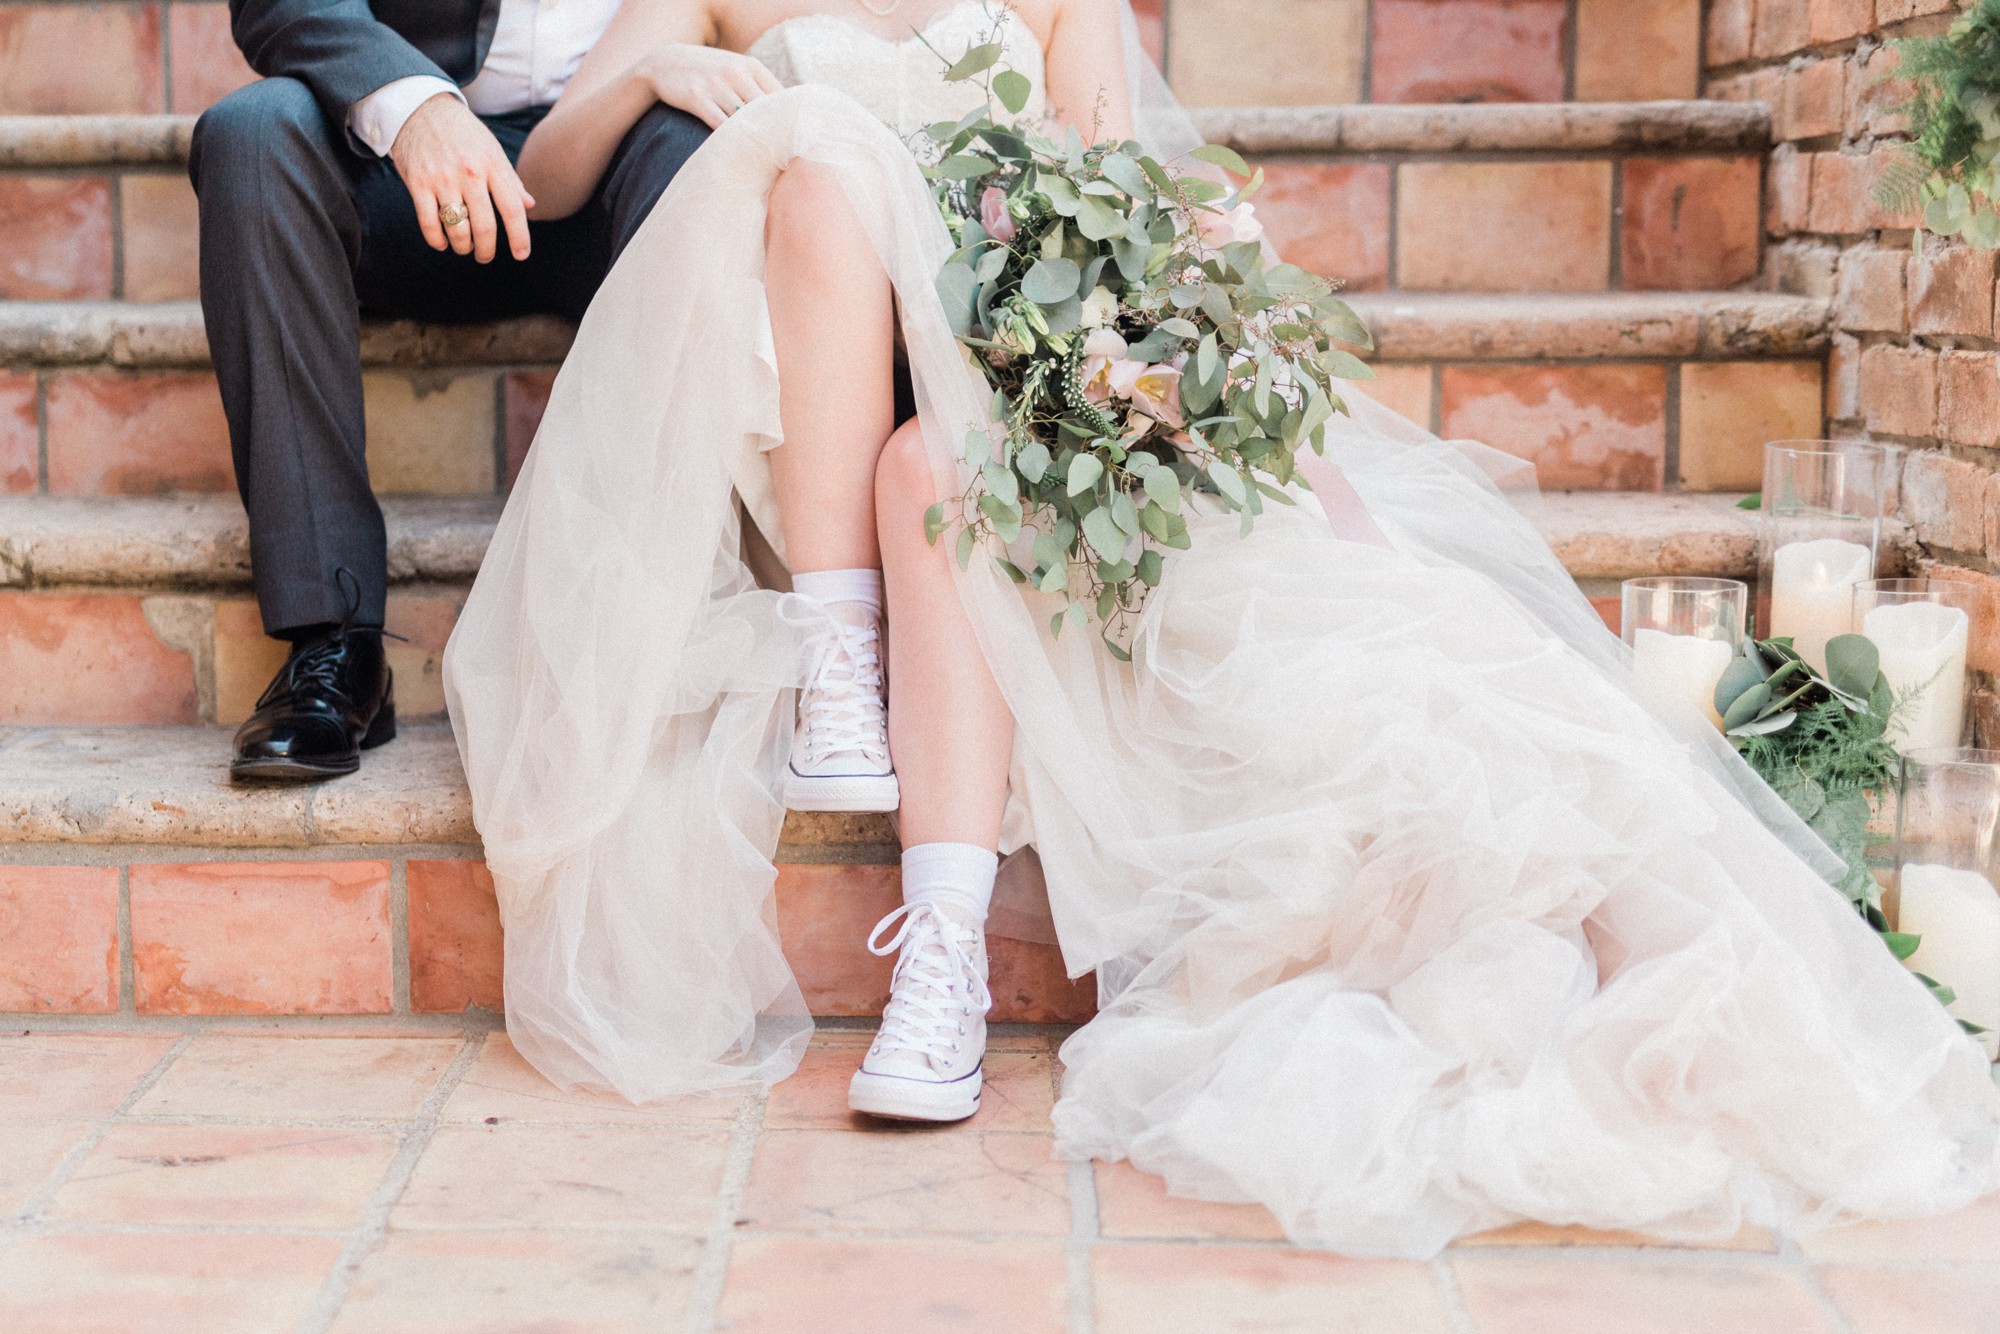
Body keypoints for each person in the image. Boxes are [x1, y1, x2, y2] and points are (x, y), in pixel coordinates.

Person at [444, 0, 2000, 1258]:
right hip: (817, 428)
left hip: (1021, 396)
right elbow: (557, 175)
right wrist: (651, 66)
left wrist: (1212, 399)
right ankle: (862, 723)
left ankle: (945, 977)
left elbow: (1125, 217)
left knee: (947, 478)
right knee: (829, 201)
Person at [193, 0, 710, 781]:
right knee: (255, 130)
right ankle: (334, 644)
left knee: (696, 145)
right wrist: (415, 105)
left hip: (622, 158)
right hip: (400, 174)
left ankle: (635, 641)